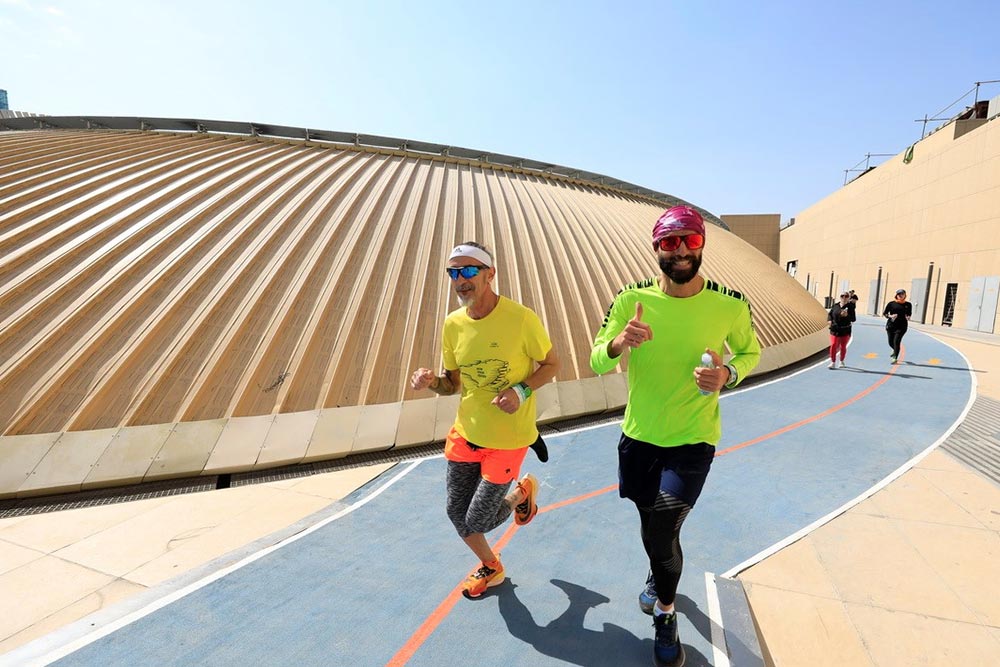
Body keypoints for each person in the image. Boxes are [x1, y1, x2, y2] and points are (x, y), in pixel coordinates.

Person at [589, 206, 761, 667]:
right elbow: (596, 360)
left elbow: (750, 351)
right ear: (656, 249)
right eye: (670, 242)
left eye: (689, 240)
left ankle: (665, 613)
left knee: (664, 522)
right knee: (653, 526)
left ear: (703, 244)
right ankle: (657, 575)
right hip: (640, 438)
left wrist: (728, 372)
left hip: (693, 438)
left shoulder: (730, 303)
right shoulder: (630, 300)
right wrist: (620, 343)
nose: (681, 250)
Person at [410, 242, 560, 599]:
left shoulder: (521, 319)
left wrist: (521, 391)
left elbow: (553, 364)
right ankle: (492, 567)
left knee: (477, 520)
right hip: (466, 433)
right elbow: (453, 385)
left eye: (468, 271)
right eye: (453, 273)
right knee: (455, 513)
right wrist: (432, 382)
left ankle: (521, 493)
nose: (460, 280)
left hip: (508, 438)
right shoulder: (453, 324)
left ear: (490, 274)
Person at [882, 288, 912, 363]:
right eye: (899, 294)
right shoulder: (891, 304)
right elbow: (885, 313)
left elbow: (909, 314)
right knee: (890, 342)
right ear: (896, 295)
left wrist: (908, 317)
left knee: (896, 341)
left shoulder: (908, 304)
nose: (901, 296)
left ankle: (895, 357)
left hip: (902, 326)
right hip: (891, 325)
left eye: (902, 294)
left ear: (905, 295)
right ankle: (895, 350)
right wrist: (890, 316)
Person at [827, 292, 856, 368]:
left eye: (846, 296)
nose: (844, 297)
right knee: (833, 345)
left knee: (843, 346)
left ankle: (841, 361)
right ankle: (832, 362)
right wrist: (829, 321)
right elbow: (830, 314)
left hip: (845, 330)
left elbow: (853, 319)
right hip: (835, 329)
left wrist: (847, 316)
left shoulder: (850, 307)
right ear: (840, 297)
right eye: (842, 296)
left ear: (848, 298)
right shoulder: (835, 306)